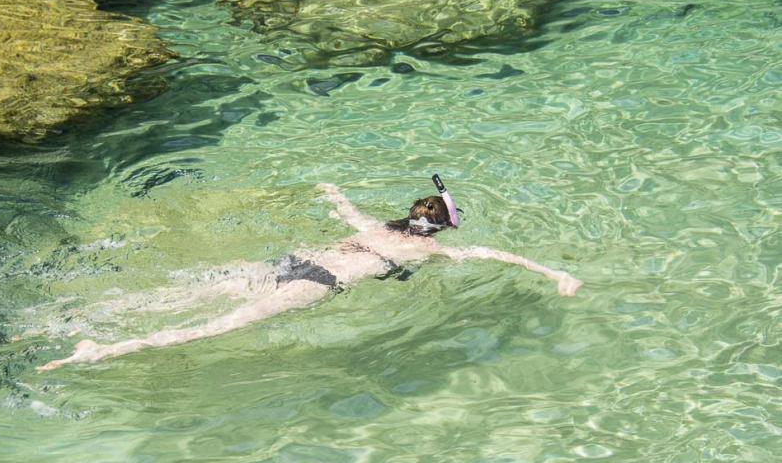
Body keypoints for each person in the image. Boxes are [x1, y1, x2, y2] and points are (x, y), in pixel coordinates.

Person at [36, 179, 581, 372]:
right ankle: (100, 351)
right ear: (439, 231)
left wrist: (329, 190)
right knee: (217, 326)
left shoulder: (371, 226)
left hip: (290, 261)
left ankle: (71, 317)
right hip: (313, 283)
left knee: (181, 292)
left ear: (413, 214)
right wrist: (556, 273)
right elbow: (498, 256)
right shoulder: (430, 256)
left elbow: (339, 205)